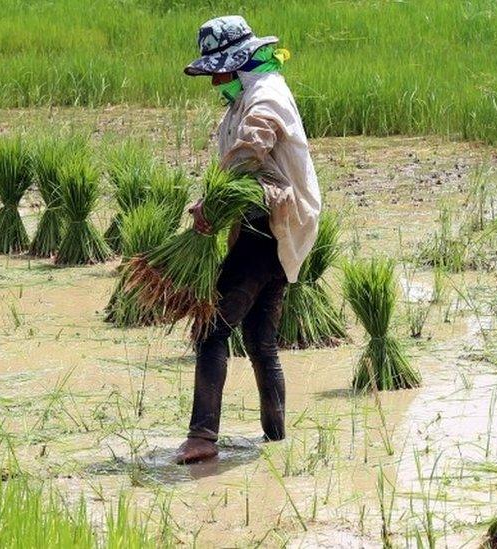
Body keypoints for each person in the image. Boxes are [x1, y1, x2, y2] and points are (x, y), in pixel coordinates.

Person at [175, 15, 322, 464]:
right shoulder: (246, 97)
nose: (215, 81)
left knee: (211, 330)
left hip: (267, 231)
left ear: (237, 64)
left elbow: (252, 146)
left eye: (219, 72)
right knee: (260, 338)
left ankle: (202, 438)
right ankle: (275, 438)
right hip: (267, 228)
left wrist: (213, 203)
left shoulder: (266, 96)